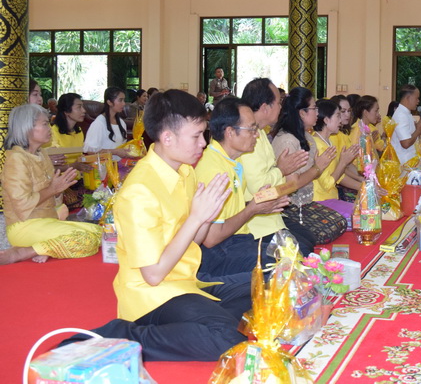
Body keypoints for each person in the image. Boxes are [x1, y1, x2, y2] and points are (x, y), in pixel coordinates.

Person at [63, 90, 252, 361]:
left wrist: (206, 216)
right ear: (167, 138)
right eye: (197, 136)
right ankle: (124, 336)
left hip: (186, 282)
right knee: (228, 339)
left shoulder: (185, 171)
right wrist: (197, 218)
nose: (203, 143)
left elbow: (194, 240)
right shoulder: (139, 191)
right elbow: (153, 275)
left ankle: (201, 321)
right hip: (152, 296)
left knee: (264, 284)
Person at [194, 97, 290, 276]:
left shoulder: (233, 162)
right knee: (281, 266)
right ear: (230, 132)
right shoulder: (214, 170)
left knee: (290, 254)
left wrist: (260, 205)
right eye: (252, 129)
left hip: (237, 240)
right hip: (218, 251)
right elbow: (211, 238)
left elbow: (229, 212)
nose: (257, 135)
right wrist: (252, 209)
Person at [0, 104, 102, 265]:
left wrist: (59, 189)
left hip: (47, 221)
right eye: (45, 124)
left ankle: (47, 247)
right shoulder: (16, 159)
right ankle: (23, 252)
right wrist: (53, 189)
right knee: (86, 239)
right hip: (24, 226)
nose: (50, 128)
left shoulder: (42, 154)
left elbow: (53, 200)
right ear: (27, 128)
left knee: (100, 232)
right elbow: (22, 205)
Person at [240, 78, 315, 256]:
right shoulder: (248, 138)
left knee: (309, 240)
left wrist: (282, 174)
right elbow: (260, 189)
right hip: (256, 221)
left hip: (273, 214)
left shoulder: (261, 133)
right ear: (265, 107)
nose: (281, 107)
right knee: (303, 249)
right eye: (279, 103)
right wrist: (282, 170)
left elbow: (283, 184)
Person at [271, 88, 348, 245]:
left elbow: (313, 174)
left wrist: (319, 168)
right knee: (327, 230)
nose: (317, 113)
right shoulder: (288, 141)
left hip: (306, 203)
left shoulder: (306, 137)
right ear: (302, 113)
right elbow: (291, 185)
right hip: (290, 207)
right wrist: (318, 168)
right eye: (314, 108)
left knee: (340, 223)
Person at [312, 99, 360, 201]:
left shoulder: (329, 142)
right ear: (326, 120)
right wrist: (343, 162)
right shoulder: (317, 145)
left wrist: (363, 185)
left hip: (332, 197)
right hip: (321, 201)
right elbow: (327, 184)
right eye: (338, 116)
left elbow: (338, 175)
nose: (340, 120)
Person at [83, 86, 132, 158]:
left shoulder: (121, 123)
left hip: (119, 163)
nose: (124, 103)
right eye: (120, 100)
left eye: (124, 100)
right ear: (109, 102)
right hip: (104, 164)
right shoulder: (99, 123)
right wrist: (115, 152)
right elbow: (90, 151)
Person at [50, 93, 93, 173]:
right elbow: (52, 167)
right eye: (79, 107)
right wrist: (74, 166)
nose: (84, 110)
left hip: (77, 176)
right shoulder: (52, 133)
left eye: (82, 107)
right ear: (66, 111)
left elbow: (80, 157)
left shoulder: (78, 131)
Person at [391, 84, 421, 165]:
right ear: (408, 98)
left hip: (409, 160)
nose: (418, 101)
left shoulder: (407, 113)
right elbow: (406, 143)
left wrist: (420, 127)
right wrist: (418, 130)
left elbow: (412, 136)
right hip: (403, 162)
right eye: (416, 98)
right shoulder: (401, 115)